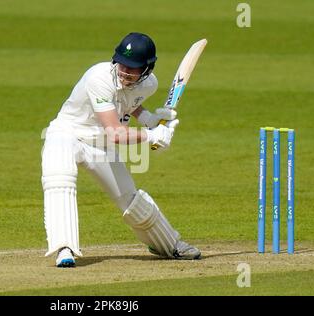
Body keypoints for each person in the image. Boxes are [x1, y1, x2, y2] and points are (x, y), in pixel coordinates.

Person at [41, 32, 201, 268]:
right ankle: (64, 247)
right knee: (60, 178)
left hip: (101, 147)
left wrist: (147, 117)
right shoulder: (99, 77)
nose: (125, 71)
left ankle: (169, 245)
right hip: (67, 134)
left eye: (133, 68)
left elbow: (128, 101)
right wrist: (151, 135)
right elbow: (115, 133)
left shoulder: (150, 85)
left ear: (146, 69)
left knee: (130, 200)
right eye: (122, 64)